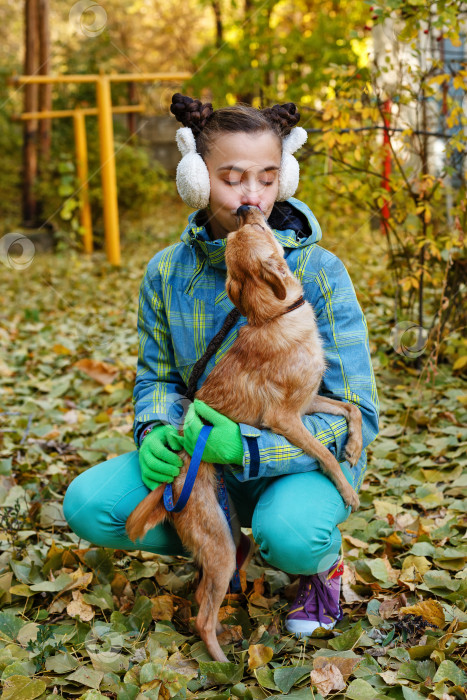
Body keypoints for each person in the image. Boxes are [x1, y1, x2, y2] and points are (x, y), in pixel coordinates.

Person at [63, 94, 379, 638]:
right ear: (195, 176)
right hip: (206, 457)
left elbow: (361, 412)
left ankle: (318, 566)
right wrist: (156, 428)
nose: (251, 195)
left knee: (295, 534)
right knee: (90, 506)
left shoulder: (319, 272)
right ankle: (221, 542)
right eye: (232, 178)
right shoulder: (167, 272)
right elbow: (157, 375)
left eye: (267, 177)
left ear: (288, 177)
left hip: (299, 458)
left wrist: (254, 448)